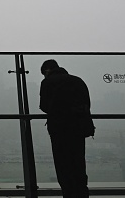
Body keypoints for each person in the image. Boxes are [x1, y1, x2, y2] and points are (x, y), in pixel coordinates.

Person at [39, 59, 94, 198]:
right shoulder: (78, 80)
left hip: (59, 128)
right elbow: (87, 103)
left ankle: (68, 193)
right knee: (78, 161)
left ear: (47, 71)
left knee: (63, 164)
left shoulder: (47, 82)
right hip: (79, 127)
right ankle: (81, 192)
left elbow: (44, 106)